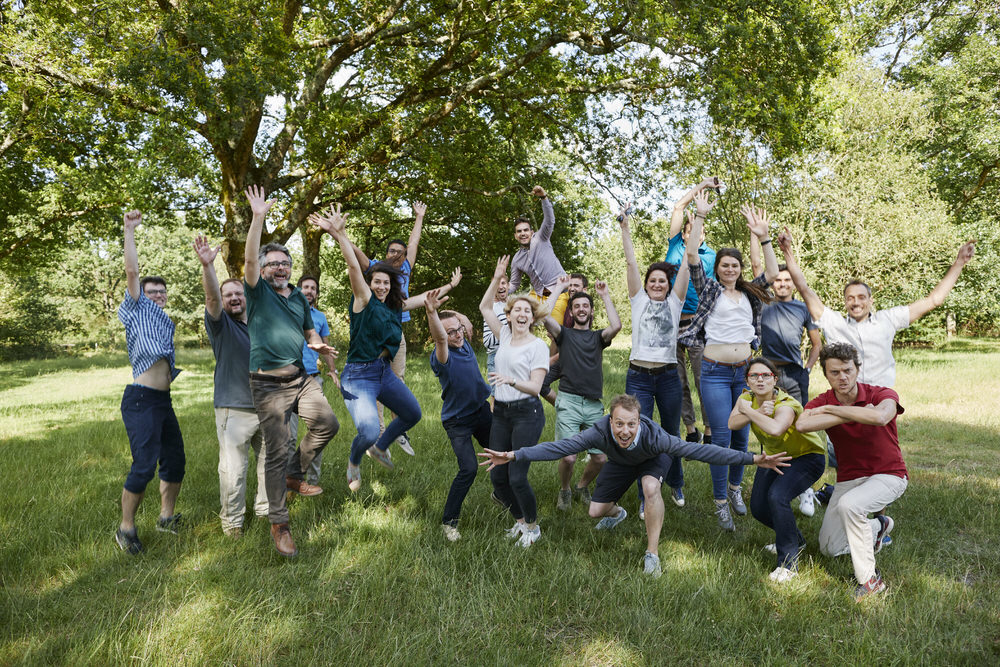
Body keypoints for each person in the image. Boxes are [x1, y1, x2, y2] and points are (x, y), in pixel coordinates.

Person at [478, 394, 791, 577]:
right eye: (619, 424)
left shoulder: (658, 437)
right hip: (620, 464)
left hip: (652, 460)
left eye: (631, 424)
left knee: (651, 488)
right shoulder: (598, 432)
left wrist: (752, 459)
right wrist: (514, 454)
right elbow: (559, 448)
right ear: (610, 422)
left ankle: (652, 553)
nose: (625, 430)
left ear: (638, 422)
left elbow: (700, 450)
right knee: (593, 512)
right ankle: (618, 514)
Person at [309, 204, 459, 492]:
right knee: (366, 431)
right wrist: (339, 234)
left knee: (412, 413)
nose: (381, 286)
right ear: (370, 283)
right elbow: (354, 265)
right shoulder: (363, 299)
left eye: (385, 283)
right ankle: (354, 460)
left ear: (392, 285)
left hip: (382, 372)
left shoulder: (396, 304)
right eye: (377, 281)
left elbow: (424, 298)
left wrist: (447, 289)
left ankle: (381, 447)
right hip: (358, 374)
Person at [243, 185, 340, 558]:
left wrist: (315, 342)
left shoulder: (299, 296)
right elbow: (250, 261)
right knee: (276, 449)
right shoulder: (258, 292)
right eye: (274, 264)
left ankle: (293, 475)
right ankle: (280, 524)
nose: (281, 268)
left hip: (301, 378)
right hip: (267, 385)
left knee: (328, 424)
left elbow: (308, 329)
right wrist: (257, 218)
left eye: (285, 263)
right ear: (265, 270)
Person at [679, 204, 780, 531]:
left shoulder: (751, 293)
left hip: (746, 373)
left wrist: (764, 239)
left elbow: (774, 274)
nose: (730, 270)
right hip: (714, 372)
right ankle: (720, 501)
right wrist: (702, 216)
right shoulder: (708, 289)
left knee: (743, 435)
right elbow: (693, 255)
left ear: (739, 269)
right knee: (721, 435)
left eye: (735, 265)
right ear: (718, 268)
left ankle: (736, 490)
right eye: (724, 265)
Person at [780, 232, 976, 388]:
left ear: (871, 300)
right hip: (846, 400)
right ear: (845, 302)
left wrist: (959, 263)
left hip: (880, 401)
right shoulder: (833, 322)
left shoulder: (888, 319)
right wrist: (788, 251)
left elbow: (934, 299)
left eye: (861, 297)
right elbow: (804, 288)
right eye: (850, 298)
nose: (856, 302)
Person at [796, 343, 908, 601]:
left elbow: (880, 417)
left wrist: (832, 411)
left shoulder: (881, 393)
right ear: (826, 375)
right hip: (850, 478)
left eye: (847, 370)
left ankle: (871, 581)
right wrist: (853, 414)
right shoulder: (822, 400)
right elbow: (802, 424)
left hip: (889, 474)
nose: (842, 377)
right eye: (834, 372)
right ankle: (878, 527)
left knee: (849, 506)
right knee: (828, 547)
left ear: (858, 370)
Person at [619, 195, 698, 514]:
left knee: (670, 431)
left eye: (661, 281)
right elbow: (630, 263)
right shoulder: (637, 299)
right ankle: (644, 496)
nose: (655, 284)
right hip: (638, 376)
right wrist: (625, 228)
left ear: (667, 286)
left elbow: (689, 260)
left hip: (667, 377)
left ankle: (675, 481)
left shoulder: (675, 302)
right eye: (652, 281)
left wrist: (698, 221)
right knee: (639, 433)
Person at [114, 210, 185, 555]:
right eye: (151, 291)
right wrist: (129, 230)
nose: (157, 294)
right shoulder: (136, 307)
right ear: (141, 294)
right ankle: (126, 528)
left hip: (163, 401)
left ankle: (166, 518)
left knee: (175, 460)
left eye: (161, 292)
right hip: (141, 398)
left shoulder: (166, 321)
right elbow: (131, 270)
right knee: (144, 464)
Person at [193, 234, 268, 538]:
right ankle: (233, 524)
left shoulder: (262, 325)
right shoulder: (221, 325)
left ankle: (265, 515)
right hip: (233, 409)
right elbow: (210, 298)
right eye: (229, 295)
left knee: (268, 468)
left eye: (239, 293)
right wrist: (208, 266)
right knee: (233, 472)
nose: (234, 298)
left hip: (267, 407)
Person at [479, 255, 554, 548]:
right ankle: (520, 521)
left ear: (532, 318)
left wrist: (511, 381)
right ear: (508, 315)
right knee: (498, 477)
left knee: (517, 477)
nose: (521, 314)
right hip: (501, 413)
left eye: (526, 310)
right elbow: (485, 306)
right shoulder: (505, 334)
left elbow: (536, 388)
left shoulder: (538, 346)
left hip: (527, 413)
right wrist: (497, 275)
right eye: (516, 310)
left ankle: (533, 528)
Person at [728, 358, 825, 582]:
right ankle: (794, 539)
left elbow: (775, 429)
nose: (760, 380)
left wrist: (751, 412)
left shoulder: (785, 403)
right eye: (754, 376)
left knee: (778, 496)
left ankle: (788, 564)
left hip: (807, 457)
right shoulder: (745, 398)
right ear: (747, 380)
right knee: (759, 508)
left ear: (775, 379)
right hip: (773, 457)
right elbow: (732, 424)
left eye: (765, 375)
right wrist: (756, 409)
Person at [345, 201, 427, 456]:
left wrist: (419, 217)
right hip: (374, 335)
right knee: (375, 384)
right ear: (386, 252)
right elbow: (355, 258)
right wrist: (342, 234)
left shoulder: (404, 269)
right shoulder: (377, 269)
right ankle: (378, 435)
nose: (395, 255)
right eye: (392, 250)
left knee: (396, 381)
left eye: (399, 252)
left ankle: (397, 431)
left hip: (396, 334)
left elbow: (413, 244)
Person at [749, 238, 824, 516]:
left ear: (793, 283)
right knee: (768, 424)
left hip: (794, 373)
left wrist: (807, 370)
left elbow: (817, 344)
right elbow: (758, 265)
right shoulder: (764, 302)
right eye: (777, 280)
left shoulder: (803, 308)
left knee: (799, 426)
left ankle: (805, 488)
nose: (781, 283)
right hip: (768, 374)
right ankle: (774, 472)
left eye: (786, 280)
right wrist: (757, 236)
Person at [542, 279, 622, 511]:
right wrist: (559, 288)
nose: (581, 309)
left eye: (585, 306)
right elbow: (544, 314)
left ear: (591, 311)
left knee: (600, 458)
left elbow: (616, 326)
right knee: (568, 457)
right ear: (571, 311)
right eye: (576, 306)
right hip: (569, 401)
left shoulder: (598, 338)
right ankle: (565, 490)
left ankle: (582, 486)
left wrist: (605, 295)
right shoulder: (563, 335)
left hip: (594, 405)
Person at [424, 289, 492, 542]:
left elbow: (465, 324)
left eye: (458, 329)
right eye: (449, 332)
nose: (456, 335)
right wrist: (432, 312)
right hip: (457, 422)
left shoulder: (464, 341)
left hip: (481, 412)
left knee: (502, 455)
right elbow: (441, 339)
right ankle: (449, 522)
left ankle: (503, 495)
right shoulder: (442, 355)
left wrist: (453, 295)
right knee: (469, 469)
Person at [665, 178, 720, 445]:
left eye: (699, 232)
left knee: (702, 379)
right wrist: (704, 185)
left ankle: (709, 430)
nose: (694, 235)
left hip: (698, 324)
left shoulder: (709, 255)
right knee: (677, 380)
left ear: (703, 235)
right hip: (672, 321)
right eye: (689, 231)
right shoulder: (675, 245)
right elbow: (678, 206)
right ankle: (690, 428)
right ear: (684, 233)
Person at [285, 275, 339, 485]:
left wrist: (332, 370)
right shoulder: (287, 312)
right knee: (288, 436)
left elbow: (325, 346)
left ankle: (313, 482)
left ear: (317, 293)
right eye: (306, 287)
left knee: (317, 433)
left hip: (313, 380)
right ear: (298, 290)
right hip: (288, 380)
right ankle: (289, 482)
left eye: (313, 288)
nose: (309, 291)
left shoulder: (320, 317)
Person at [509, 185, 570, 324]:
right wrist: (499, 289)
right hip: (537, 296)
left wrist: (543, 197)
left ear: (531, 232)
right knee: (515, 320)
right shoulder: (517, 259)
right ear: (515, 236)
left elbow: (549, 220)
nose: (523, 233)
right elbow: (514, 284)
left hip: (559, 292)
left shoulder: (541, 238)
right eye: (519, 231)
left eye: (525, 230)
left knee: (556, 334)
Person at [482, 273, 510, 402]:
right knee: (498, 400)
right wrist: (506, 330)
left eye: (503, 283)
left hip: (515, 355)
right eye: (497, 283)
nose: (500, 286)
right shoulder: (491, 309)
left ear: (508, 286)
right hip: (497, 357)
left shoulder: (516, 305)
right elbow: (487, 342)